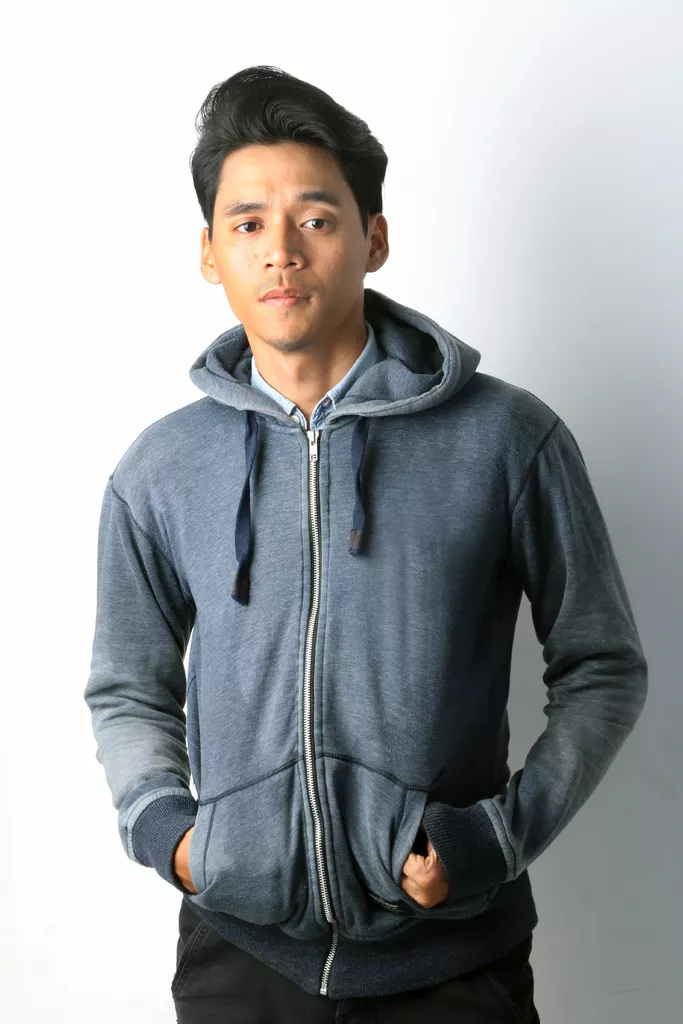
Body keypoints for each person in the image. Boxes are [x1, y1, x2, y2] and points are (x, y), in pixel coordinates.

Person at [83, 65, 649, 1023]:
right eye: (246, 224)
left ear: (372, 238)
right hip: (238, 955)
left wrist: (496, 839)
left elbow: (602, 666)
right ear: (210, 253)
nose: (280, 251)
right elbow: (127, 685)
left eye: (315, 217)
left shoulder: (507, 439)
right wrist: (168, 832)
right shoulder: (161, 468)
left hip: (454, 960)